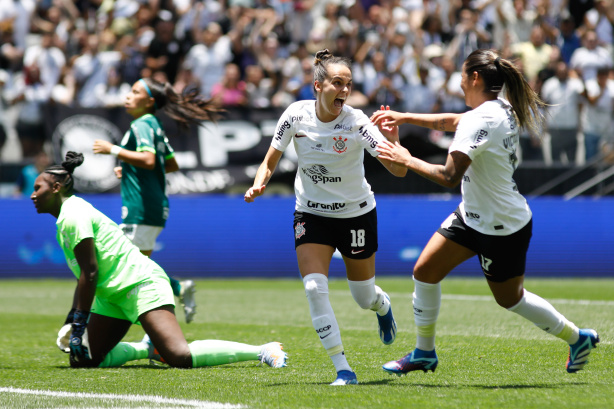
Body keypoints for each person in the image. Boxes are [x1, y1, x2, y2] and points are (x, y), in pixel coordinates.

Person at [370, 49, 599, 376]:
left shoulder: (484, 117)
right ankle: (424, 352)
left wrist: (405, 158)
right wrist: (405, 117)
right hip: (473, 215)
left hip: (501, 226)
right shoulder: (496, 108)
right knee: (424, 271)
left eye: (462, 76)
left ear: (475, 78)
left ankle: (577, 338)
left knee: (510, 299)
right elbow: (451, 121)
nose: (459, 84)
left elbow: (449, 177)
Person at [32, 152, 288, 370]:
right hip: (112, 295)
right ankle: (147, 348)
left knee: (179, 356)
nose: (33, 195)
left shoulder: (73, 215)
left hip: (140, 283)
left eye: (37, 188)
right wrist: (71, 321)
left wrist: (79, 324)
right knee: (84, 359)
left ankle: (263, 350)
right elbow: (84, 277)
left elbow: (90, 272)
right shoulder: (66, 217)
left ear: (56, 188)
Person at [244, 49, 408, 386]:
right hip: (310, 212)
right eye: (338, 83)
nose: (345, 91)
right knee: (314, 287)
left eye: (348, 84)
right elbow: (270, 159)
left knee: (363, 296)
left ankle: (381, 303)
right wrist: (259, 183)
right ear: (318, 86)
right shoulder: (294, 116)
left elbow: (398, 169)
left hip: (356, 215)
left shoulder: (358, 122)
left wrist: (394, 140)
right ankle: (343, 369)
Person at [92, 77, 218, 323]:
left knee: (121, 265)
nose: (128, 95)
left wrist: (114, 150)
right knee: (140, 265)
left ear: (149, 101)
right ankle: (178, 291)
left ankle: (152, 319)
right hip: (154, 206)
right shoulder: (154, 124)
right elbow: (170, 163)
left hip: (141, 207)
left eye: (135, 91)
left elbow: (150, 160)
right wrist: (129, 168)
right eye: (130, 89)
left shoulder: (142, 125)